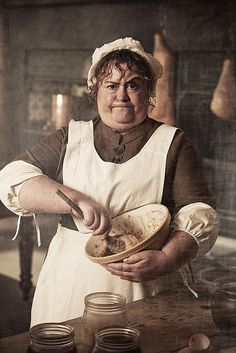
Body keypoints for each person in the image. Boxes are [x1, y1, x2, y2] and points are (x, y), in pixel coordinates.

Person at [0, 37, 219, 327]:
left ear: (149, 91)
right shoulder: (71, 137)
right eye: (111, 85)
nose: (122, 96)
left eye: (133, 85)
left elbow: (199, 212)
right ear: (96, 91)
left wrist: (166, 258)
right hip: (70, 281)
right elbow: (14, 177)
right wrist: (74, 199)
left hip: (142, 283)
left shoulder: (173, 142)